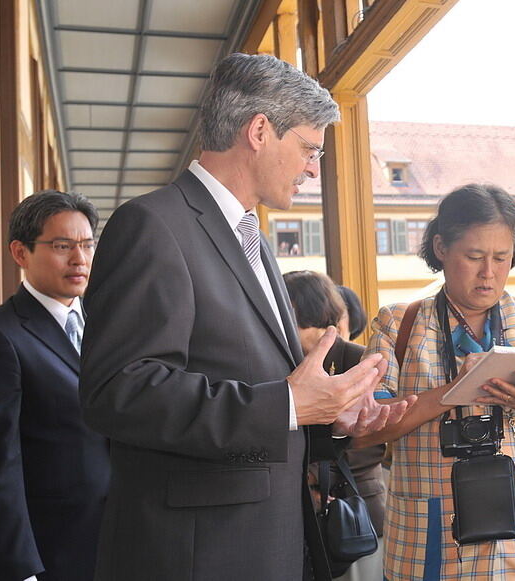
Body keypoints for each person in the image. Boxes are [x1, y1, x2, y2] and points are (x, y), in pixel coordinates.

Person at [78, 53, 412, 581]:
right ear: (260, 130)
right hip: (195, 554)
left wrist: (327, 416)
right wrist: (286, 403)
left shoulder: (250, 237)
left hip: (260, 542)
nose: (312, 167)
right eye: (308, 148)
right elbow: (119, 391)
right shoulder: (152, 225)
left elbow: (251, 388)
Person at [359, 184, 515, 580]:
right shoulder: (398, 325)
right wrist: (455, 389)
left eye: (502, 257)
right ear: (440, 248)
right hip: (433, 539)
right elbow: (367, 430)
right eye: (474, 257)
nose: (488, 273)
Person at [0, 191, 110, 581]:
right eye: (62, 246)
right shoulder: (5, 335)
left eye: (87, 245)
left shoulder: (110, 325)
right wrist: (20, 568)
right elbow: (3, 464)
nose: (79, 259)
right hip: (54, 550)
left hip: (124, 538)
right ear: (20, 253)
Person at [283, 271, 386, 580]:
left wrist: (319, 480)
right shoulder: (285, 361)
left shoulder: (357, 359)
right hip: (302, 514)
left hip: (354, 510)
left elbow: (371, 440)